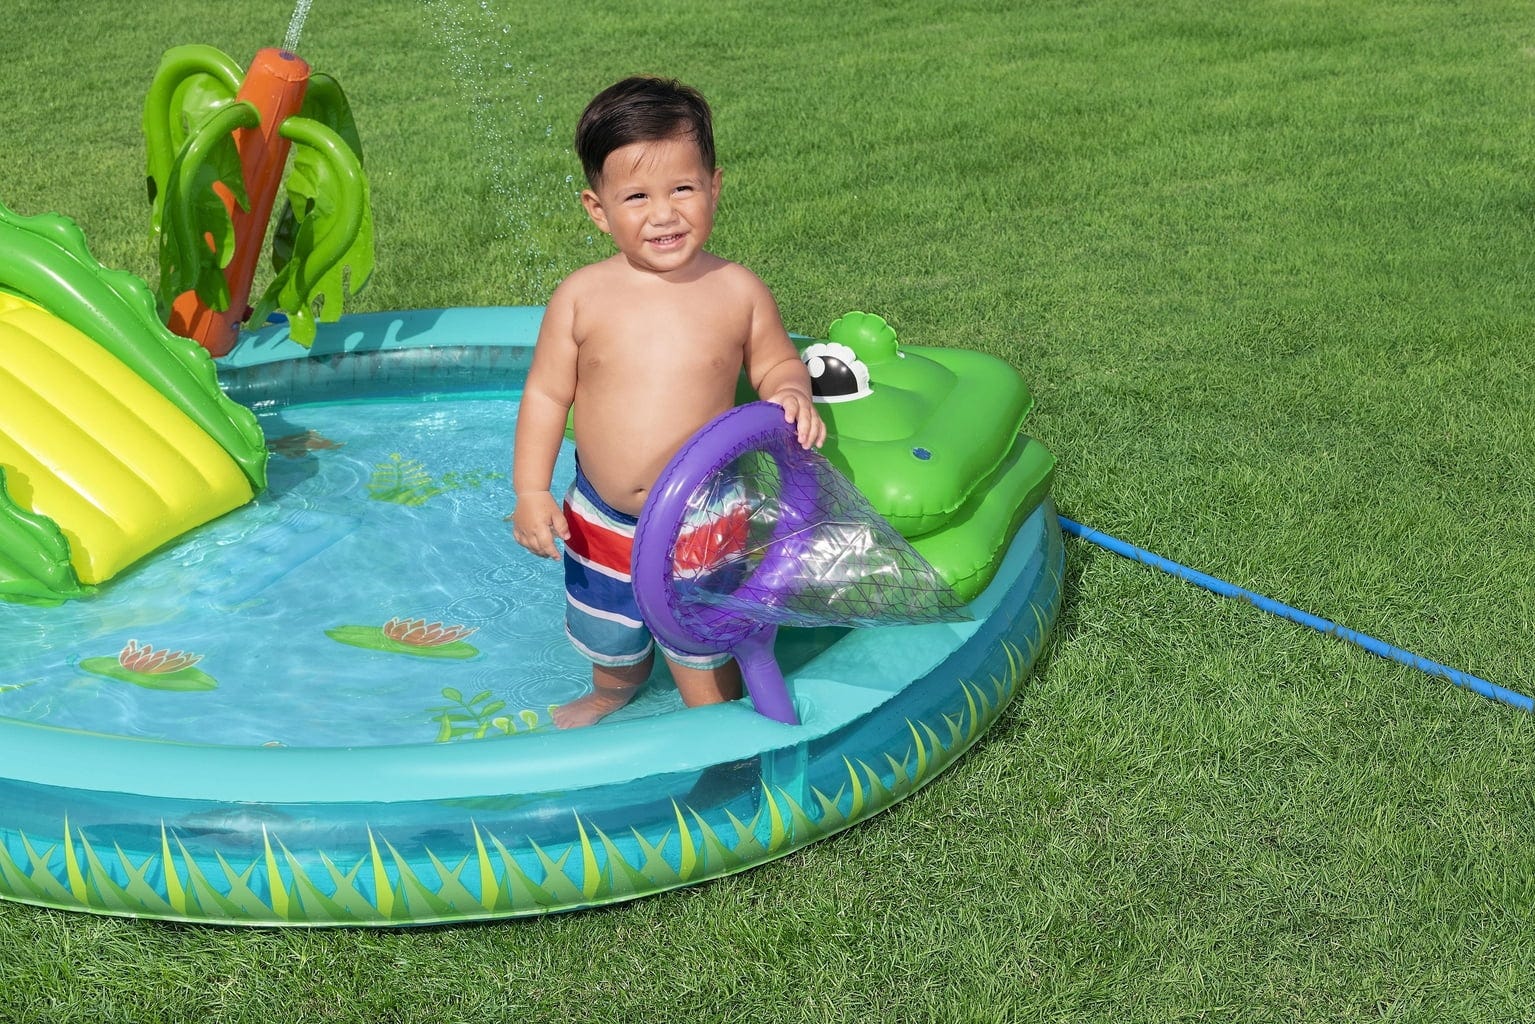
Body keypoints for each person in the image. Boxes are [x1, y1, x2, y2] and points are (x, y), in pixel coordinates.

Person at [510, 76, 826, 728]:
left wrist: (790, 390)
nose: (664, 214)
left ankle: (713, 722)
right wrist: (531, 491)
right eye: (636, 196)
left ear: (714, 186)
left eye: (682, 188)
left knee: (702, 648)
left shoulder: (736, 291)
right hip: (603, 519)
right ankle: (613, 691)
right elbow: (545, 393)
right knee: (608, 631)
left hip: (702, 517)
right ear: (597, 209)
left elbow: (773, 361)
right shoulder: (582, 297)